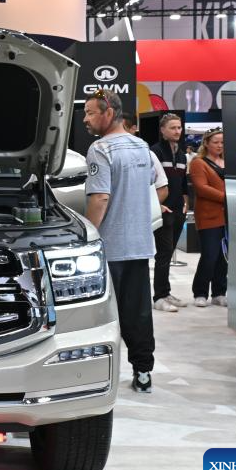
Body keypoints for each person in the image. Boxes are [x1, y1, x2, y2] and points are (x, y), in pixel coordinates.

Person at [83, 90, 166, 394]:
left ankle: (93, 376)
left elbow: (100, 198)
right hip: (139, 245)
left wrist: (87, 237)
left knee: (98, 314)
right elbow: (155, 187)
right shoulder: (142, 147)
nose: (85, 119)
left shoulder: (100, 148)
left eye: (90, 113)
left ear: (108, 113)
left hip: (110, 247)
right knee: (139, 312)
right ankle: (143, 372)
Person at [150, 113, 190, 312]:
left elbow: (183, 183)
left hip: (178, 210)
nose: (177, 131)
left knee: (169, 250)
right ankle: (159, 296)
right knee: (164, 253)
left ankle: (165, 292)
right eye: (173, 128)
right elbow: (150, 182)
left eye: (179, 127)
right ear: (163, 130)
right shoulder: (155, 152)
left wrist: (186, 202)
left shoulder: (182, 154)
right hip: (163, 210)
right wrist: (157, 205)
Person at [189, 128, 228, 308]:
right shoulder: (198, 163)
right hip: (208, 216)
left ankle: (219, 292)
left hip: (228, 216)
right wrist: (227, 197)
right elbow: (202, 188)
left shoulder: (228, 162)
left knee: (223, 257)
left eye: (222, 142)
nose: (219, 145)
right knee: (209, 255)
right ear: (206, 143)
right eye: (215, 142)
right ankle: (200, 292)